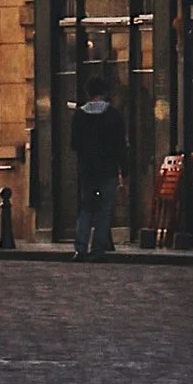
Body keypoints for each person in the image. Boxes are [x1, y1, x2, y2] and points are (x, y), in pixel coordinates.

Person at [71, 71, 128, 258]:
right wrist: (123, 169)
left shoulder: (79, 115)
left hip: (88, 170)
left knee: (86, 208)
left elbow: (74, 144)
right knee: (105, 210)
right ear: (104, 93)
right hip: (108, 168)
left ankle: (80, 247)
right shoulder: (113, 115)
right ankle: (98, 248)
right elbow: (120, 145)